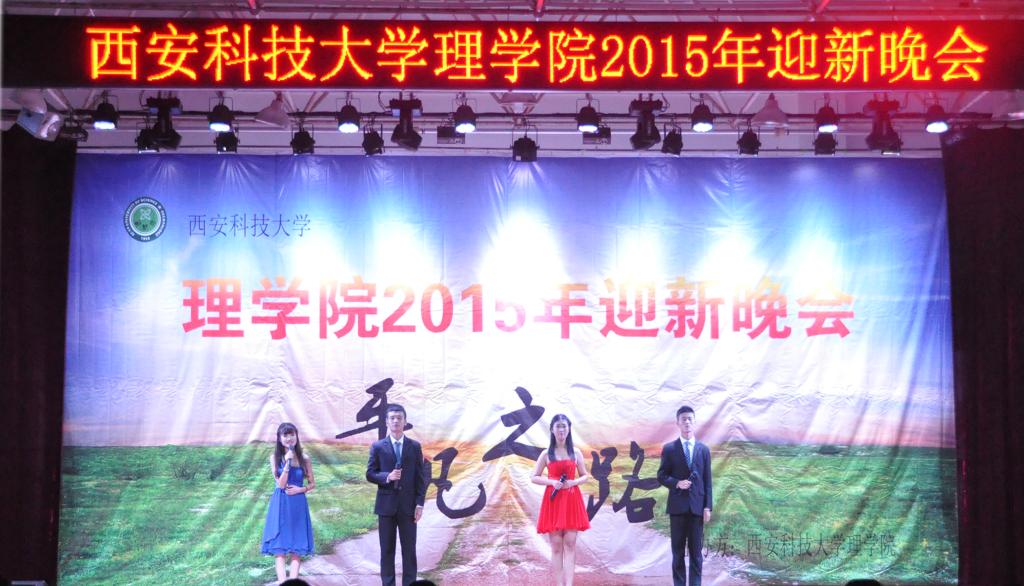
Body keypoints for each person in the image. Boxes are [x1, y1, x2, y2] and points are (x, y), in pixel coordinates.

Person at [366, 404, 427, 586]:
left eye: (399, 418)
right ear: (386, 422)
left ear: (405, 421)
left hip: (408, 508)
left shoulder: (414, 446)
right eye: (392, 418)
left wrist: (419, 504)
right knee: (387, 551)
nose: (395, 421)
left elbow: (420, 478)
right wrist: (387, 476)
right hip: (386, 507)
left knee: (409, 551)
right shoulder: (378, 446)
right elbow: (370, 474)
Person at [532, 414, 591, 586]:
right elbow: (534, 477)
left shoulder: (576, 452)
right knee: (556, 546)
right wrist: (552, 482)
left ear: (569, 429)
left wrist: (573, 482)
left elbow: (585, 475)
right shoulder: (546, 453)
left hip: (572, 500)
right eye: (558, 426)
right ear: (552, 429)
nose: (561, 430)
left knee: (570, 544)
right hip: (554, 501)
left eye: (564, 426)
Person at [657, 406, 713, 586]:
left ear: (694, 421)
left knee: (696, 554)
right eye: (683, 419)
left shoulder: (703, 450)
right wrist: (676, 483)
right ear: (678, 423)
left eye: (690, 419)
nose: (687, 422)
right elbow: (661, 475)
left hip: (697, 508)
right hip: (677, 508)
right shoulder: (669, 449)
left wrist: (707, 507)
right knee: (678, 553)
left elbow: (707, 480)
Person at [261, 422, 316, 584]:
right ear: (279, 438)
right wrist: (287, 464)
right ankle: (282, 583)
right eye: (285, 435)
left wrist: (301, 489)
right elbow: (280, 484)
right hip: (281, 503)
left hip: (298, 503)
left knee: (296, 549)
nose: (289, 438)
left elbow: (312, 483)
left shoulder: (305, 458)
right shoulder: (275, 458)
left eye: (292, 434)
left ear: (297, 436)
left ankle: (293, 583)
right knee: (280, 549)